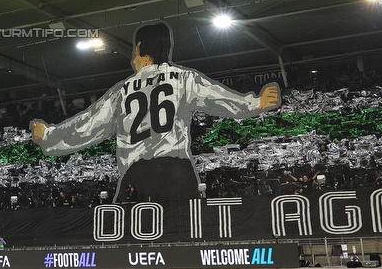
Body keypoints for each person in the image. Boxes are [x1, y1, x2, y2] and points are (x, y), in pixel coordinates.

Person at [32, 22, 280, 203]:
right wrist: (255, 103)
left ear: (139, 48)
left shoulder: (123, 90)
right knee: (187, 238)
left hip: (136, 174)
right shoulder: (183, 78)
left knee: (130, 241)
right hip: (177, 172)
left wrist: (50, 137)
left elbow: (89, 125)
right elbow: (219, 98)